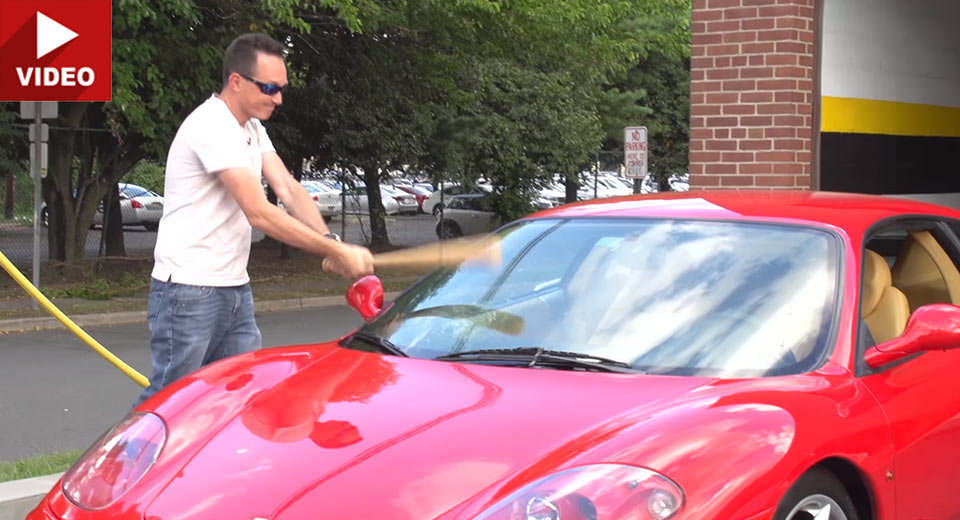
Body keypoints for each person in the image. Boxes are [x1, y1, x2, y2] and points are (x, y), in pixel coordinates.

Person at [133, 33, 374, 406]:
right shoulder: (211, 125)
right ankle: (119, 464)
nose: (278, 97)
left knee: (238, 396)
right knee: (169, 402)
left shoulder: (251, 127)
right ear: (236, 82)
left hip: (234, 289)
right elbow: (259, 211)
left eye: (281, 88)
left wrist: (333, 243)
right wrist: (330, 249)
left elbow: (289, 189)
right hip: (188, 290)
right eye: (269, 87)